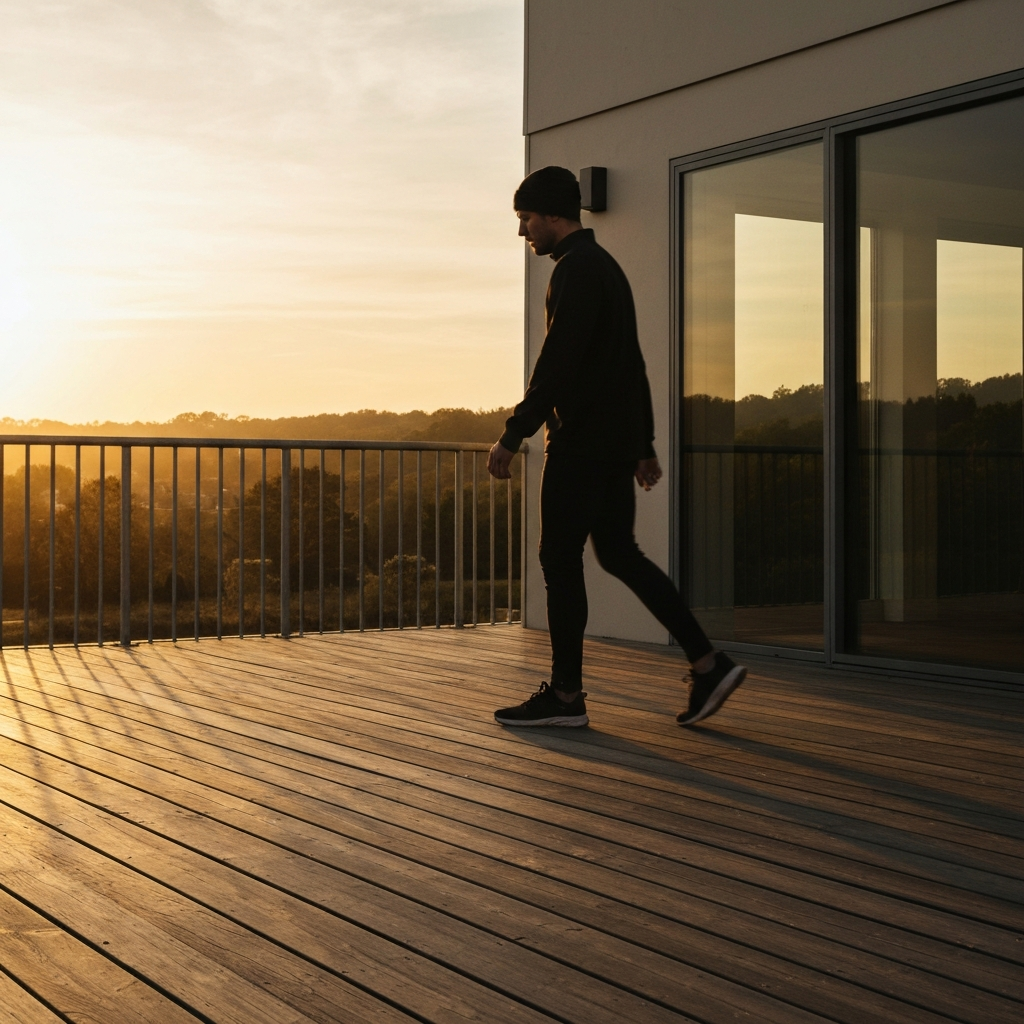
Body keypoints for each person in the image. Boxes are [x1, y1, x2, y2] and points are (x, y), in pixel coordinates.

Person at [487, 165, 746, 729]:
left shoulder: (576, 270)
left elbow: (560, 361)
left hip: (579, 444)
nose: (524, 231)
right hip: (610, 443)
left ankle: (565, 697)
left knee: (560, 559)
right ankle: (707, 664)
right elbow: (632, 365)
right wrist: (642, 443)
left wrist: (515, 432)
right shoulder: (605, 269)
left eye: (526, 219)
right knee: (619, 553)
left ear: (553, 215)